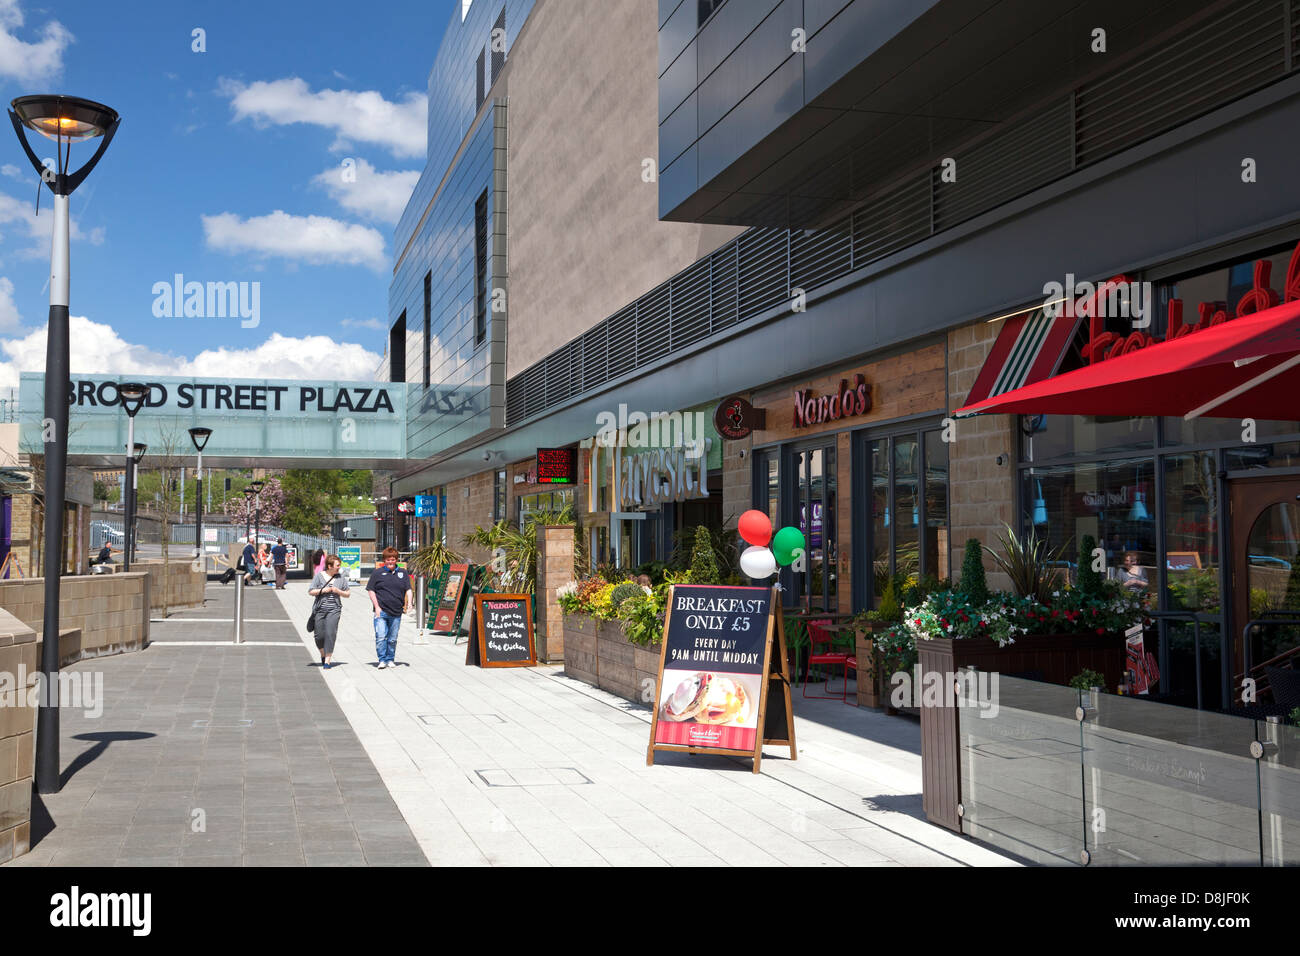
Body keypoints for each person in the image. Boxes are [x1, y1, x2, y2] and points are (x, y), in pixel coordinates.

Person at [366, 547, 411, 669]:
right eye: (388, 560)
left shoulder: (403, 572)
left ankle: (390, 659)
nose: (390, 562)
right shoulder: (377, 573)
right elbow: (371, 590)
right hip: (381, 611)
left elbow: (408, 589)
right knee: (381, 636)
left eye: (393, 559)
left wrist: (410, 603)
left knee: (392, 639)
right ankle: (382, 659)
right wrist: (377, 607)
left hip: (396, 612)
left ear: (396, 560)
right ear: (384, 560)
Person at [309, 554, 350, 668]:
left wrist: (338, 591)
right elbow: (311, 591)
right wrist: (323, 590)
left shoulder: (340, 578)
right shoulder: (319, 576)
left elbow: (348, 593)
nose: (339, 567)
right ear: (329, 566)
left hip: (334, 609)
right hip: (320, 609)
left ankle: (327, 659)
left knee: (330, 633)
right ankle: (322, 653)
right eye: (337, 565)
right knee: (319, 636)